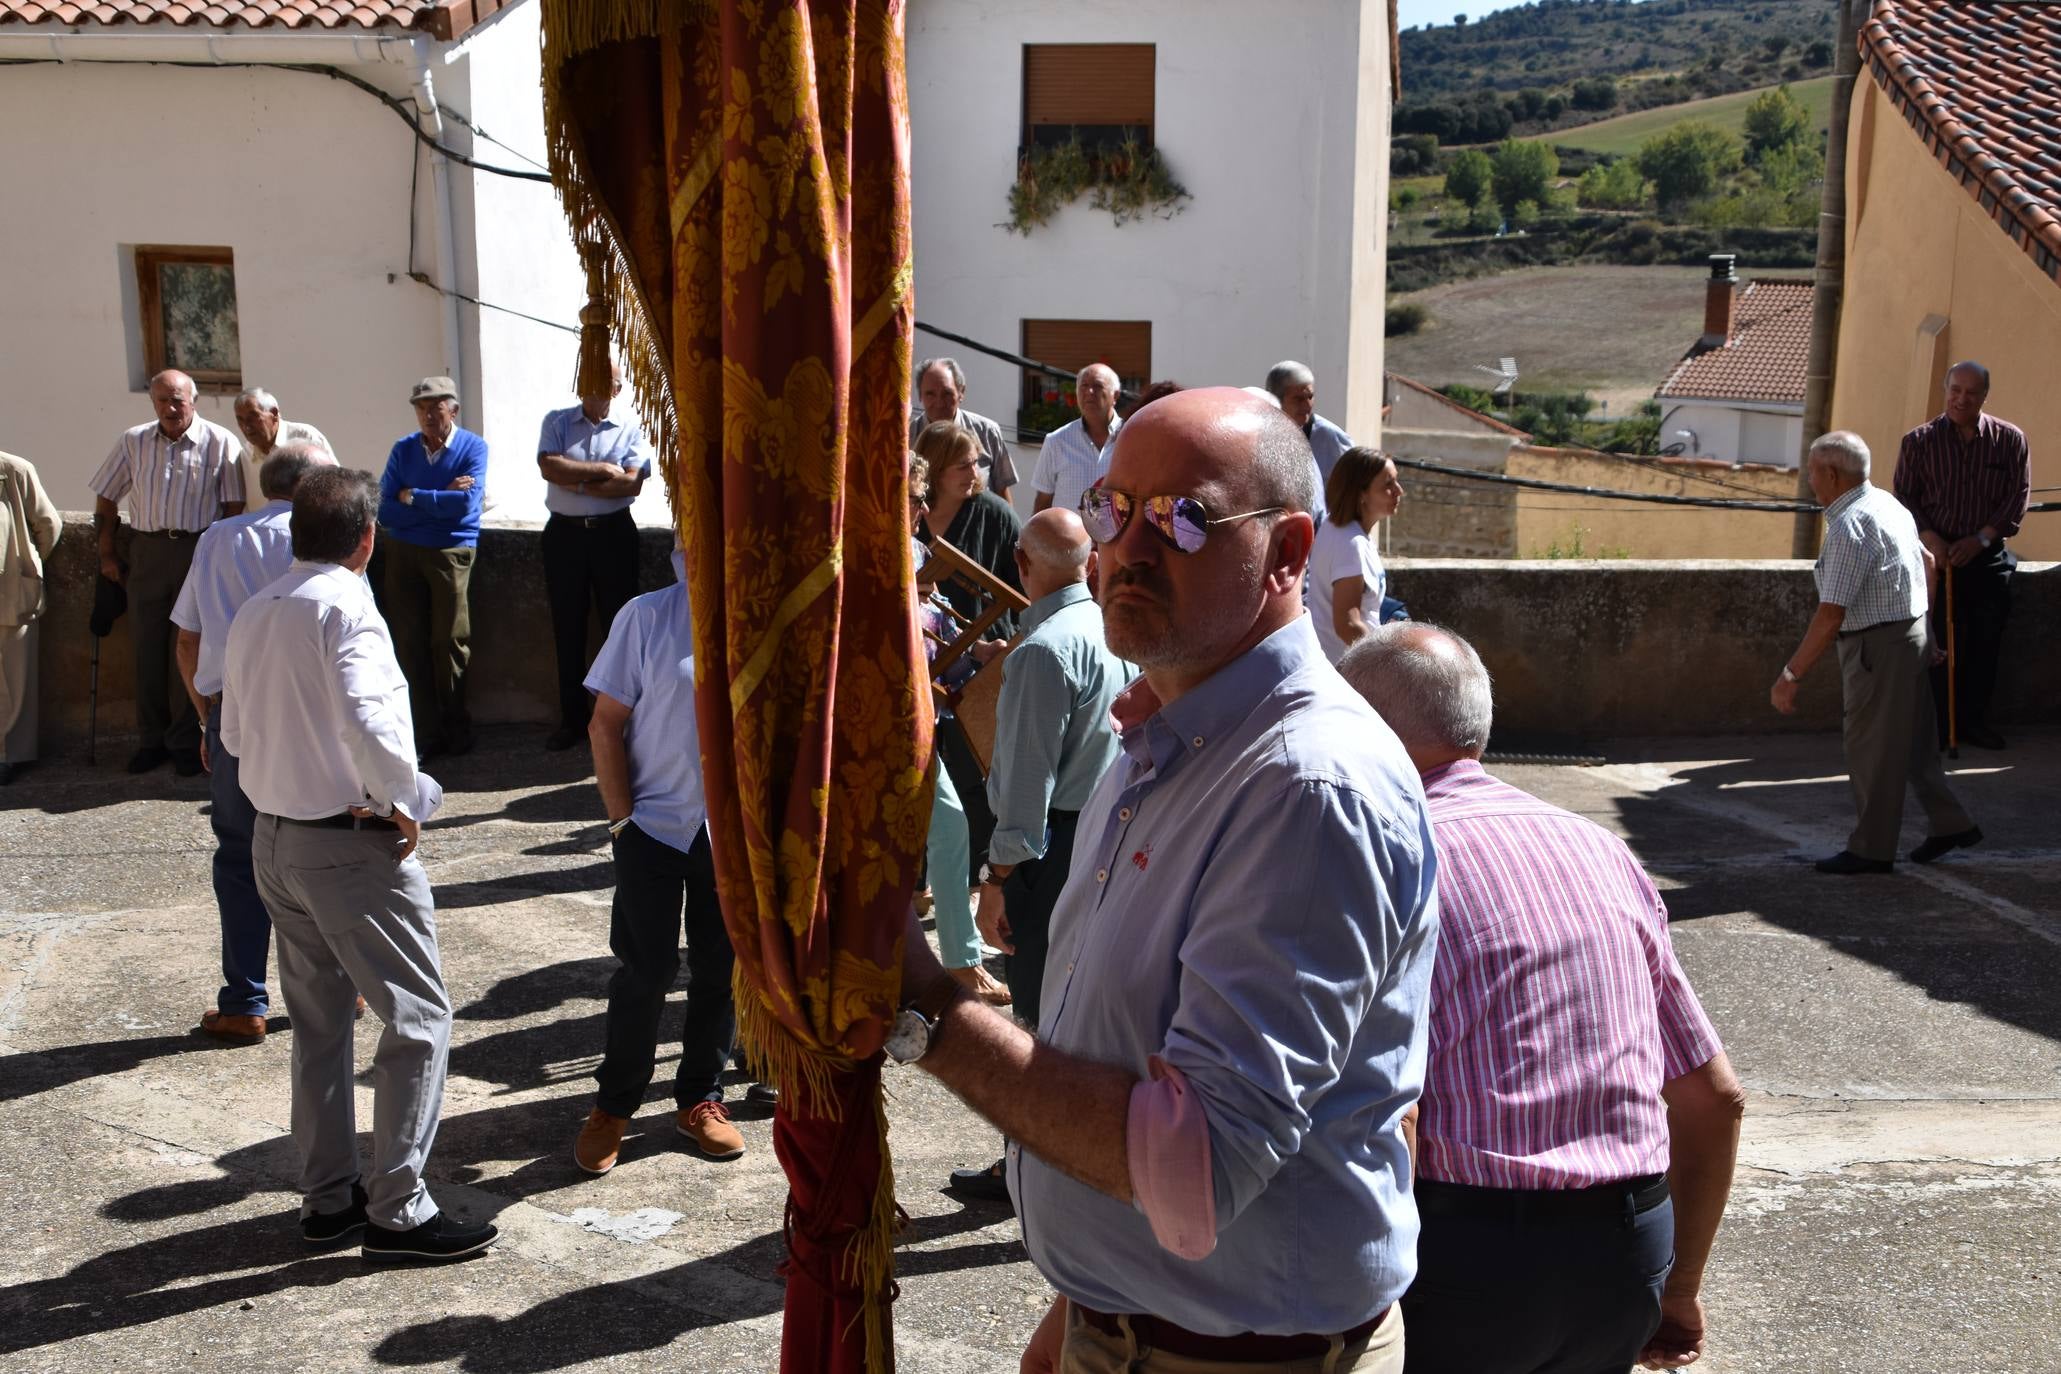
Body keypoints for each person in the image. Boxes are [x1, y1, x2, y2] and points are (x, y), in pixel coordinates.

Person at [894, 387, 1437, 1374]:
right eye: (1113, 510)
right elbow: (1124, 1050)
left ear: (1289, 552)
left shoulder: (1303, 790)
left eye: (1186, 518)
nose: (1130, 550)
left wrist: (930, 1008)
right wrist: (1083, 1312)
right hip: (1137, 1331)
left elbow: (1194, 1174)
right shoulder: (1164, 736)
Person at [1340, 623, 1746, 1374]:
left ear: (1360, 726)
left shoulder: (1383, 854)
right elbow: (1713, 1097)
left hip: (1465, 1258)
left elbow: (1384, 1108)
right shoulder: (1600, 849)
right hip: (1625, 1254)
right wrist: (1678, 1287)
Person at [222, 467, 494, 1262]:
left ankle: (328, 1198)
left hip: (274, 837)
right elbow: (372, 722)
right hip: (344, 842)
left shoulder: (257, 608)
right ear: (367, 540)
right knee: (418, 1016)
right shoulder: (348, 608)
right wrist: (409, 797)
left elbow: (234, 734)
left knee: (318, 1024)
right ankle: (398, 1208)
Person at [948, 507, 1129, 1205]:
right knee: (1081, 1010)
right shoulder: (1109, 631)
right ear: (1087, 564)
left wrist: (997, 877)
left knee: (1035, 1016)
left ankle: (1026, 1164)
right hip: (1107, 834)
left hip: (1049, 851)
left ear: (1022, 567)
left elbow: (1024, 788)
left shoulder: (1043, 651)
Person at [572, 542, 748, 1174]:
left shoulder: (761, 620)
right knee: (644, 972)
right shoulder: (645, 616)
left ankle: (701, 1098)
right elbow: (604, 724)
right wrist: (621, 821)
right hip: (652, 827)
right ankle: (614, 1106)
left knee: (719, 968)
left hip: (729, 834)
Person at [172, 441, 336, 1044]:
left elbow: (186, 640)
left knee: (240, 856)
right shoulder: (329, 539)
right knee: (323, 844)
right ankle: (339, 985)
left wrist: (204, 719)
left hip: (232, 713)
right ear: (314, 485)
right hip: (312, 715)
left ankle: (245, 1001)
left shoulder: (218, 538)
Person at [1774, 431, 1980, 874]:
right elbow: (1927, 563)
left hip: (1877, 649)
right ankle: (1951, 824)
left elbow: (1830, 616)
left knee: (1871, 750)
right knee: (1913, 746)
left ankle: (1871, 848)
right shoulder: (1887, 503)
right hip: (1909, 637)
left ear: (1831, 473)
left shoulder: (1849, 526)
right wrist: (1927, 634)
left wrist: (1790, 676)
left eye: (1812, 471)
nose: (1810, 480)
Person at [91, 369, 246, 775]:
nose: (170, 408)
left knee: (190, 644)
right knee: (146, 646)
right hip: (147, 551)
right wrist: (106, 551)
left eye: (177, 399)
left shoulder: (220, 442)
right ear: (153, 403)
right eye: (162, 400)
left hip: (198, 549)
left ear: (193, 400)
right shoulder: (134, 441)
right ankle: (150, 739)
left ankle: (185, 741)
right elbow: (106, 497)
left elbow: (233, 508)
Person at [907, 453, 1008, 1011]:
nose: (922, 510)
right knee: (942, 830)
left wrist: (980, 653)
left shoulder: (921, 556)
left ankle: (956, 958)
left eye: (922, 499)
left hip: (922, 721)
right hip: (875, 725)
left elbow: (944, 637)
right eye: (911, 499)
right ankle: (951, 961)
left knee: (946, 830)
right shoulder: (861, 563)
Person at [914, 420, 1025, 917]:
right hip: (922, 670)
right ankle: (919, 884)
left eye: (978, 462)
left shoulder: (995, 515)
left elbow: (1021, 582)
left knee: (973, 773)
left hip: (980, 664)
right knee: (923, 782)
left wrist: (1012, 646)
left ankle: (977, 878)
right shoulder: (909, 519)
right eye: (964, 464)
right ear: (935, 470)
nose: (975, 471)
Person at [1892, 361, 2031, 751]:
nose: (1961, 399)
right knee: (1935, 644)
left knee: (1985, 643)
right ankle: (1937, 725)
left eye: (1971, 392)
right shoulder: (1918, 442)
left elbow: (2016, 498)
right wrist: (1930, 538)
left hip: (1985, 556)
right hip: (1936, 560)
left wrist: (1981, 539)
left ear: (1985, 395)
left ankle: (1972, 722)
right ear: (1945, 389)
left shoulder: (2009, 440)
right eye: (1955, 390)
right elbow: (1904, 498)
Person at [536, 362, 652, 751]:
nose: (594, 390)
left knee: (618, 629)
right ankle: (572, 720)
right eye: (588, 382)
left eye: (604, 384)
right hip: (564, 536)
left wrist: (577, 480)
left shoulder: (630, 426)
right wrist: (601, 473)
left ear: (617, 390)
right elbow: (549, 466)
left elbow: (631, 483)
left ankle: (618, 722)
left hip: (613, 536)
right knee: (567, 626)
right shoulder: (557, 421)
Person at [378, 376, 487, 760]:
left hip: (450, 551)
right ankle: (422, 734)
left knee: (449, 641)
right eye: (420, 407)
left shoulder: (473, 447)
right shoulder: (404, 449)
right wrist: (435, 498)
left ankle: (456, 729)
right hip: (404, 549)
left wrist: (412, 497)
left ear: (452, 410)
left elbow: (466, 507)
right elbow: (384, 508)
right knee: (409, 642)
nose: (426, 414)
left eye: (434, 406)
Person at [1309, 447, 1404, 663]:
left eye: (1396, 481)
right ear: (1361, 494)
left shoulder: (1341, 530)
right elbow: (1347, 625)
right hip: (1347, 670)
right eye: (1387, 484)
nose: (1399, 491)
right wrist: (1384, 664)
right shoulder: (1350, 544)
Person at [1, 449, 61, 786]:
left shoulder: (15, 469)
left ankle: (9, 755)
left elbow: (47, 524)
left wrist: (29, 564)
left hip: (11, 590)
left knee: (14, 678)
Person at [911, 356, 1019, 501]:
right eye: (930, 394)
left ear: (961, 392)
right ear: (920, 396)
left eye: (947, 393)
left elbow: (1002, 491)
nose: (939, 402)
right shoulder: (906, 437)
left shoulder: (987, 432)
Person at [1032, 364, 1123, 516]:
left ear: (1116, 395)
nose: (1089, 392)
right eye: (1084, 386)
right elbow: (1043, 502)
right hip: (1068, 539)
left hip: (1118, 539)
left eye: (1098, 386)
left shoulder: (1131, 438)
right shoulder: (1056, 441)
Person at [231, 388, 331, 503]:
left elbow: (331, 484)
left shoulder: (305, 437)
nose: (246, 426)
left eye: (253, 417)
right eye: (240, 420)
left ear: (274, 413)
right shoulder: (245, 454)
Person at [1266, 360, 1354, 486]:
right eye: (1299, 399)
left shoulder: (1331, 438)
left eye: (1310, 397)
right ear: (1276, 399)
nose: (1307, 405)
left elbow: (1354, 487)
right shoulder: (1261, 434)